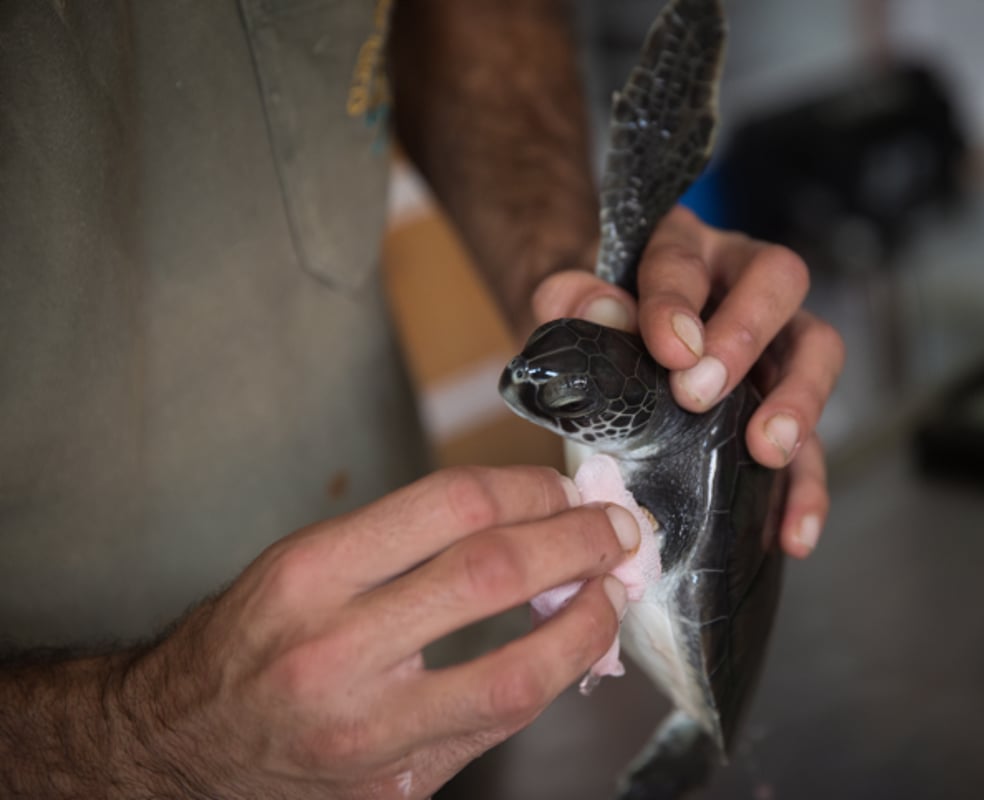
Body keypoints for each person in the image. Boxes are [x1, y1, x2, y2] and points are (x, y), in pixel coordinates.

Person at [0, 1, 845, 797]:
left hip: (434, 665)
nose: (520, 388)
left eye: (552, 394)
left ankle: (695, 738)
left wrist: (584, 285)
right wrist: (139, 739)